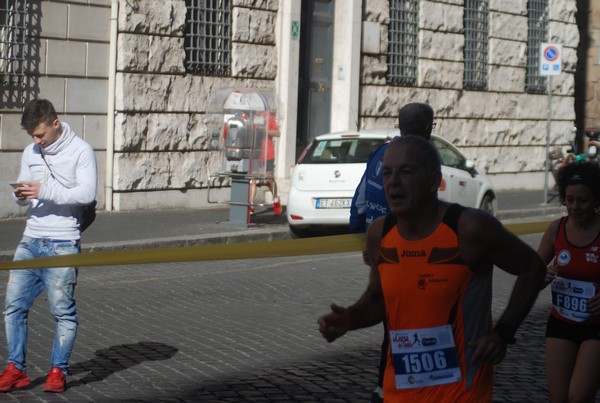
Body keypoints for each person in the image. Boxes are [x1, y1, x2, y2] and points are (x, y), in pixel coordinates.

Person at [319, 136, 546, 402]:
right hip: (399, 391)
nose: (393, 182)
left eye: (406, 171)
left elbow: (533, 268)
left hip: (460, 393)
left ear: (433, 180)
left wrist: (503, 333)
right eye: (388, 172)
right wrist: (349, 318)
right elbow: (379, 298)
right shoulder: (380, 232)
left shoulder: (469, 228)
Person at [0, 99, 98, 393]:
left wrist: (45, 190)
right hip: (31, 238)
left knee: (62, 311)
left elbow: (87, 192)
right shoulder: (31, 151)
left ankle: (58, 370)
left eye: (40, 134)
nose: (36, 141)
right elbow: (26, 189)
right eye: (32, 135)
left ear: (55, 124)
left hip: (63, 241)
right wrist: (21, 194)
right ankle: (16, 369)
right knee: (13, 307)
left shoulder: (81, 150)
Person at [348, 102, 434, 402]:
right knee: (410, 325)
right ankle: (401, 387)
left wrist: (365, 242)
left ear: (399, 126)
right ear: (429, 129)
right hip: (409, 255)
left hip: (381, 255)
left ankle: (385, 386)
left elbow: (358, 202)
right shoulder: (421, 162)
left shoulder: (378, 156)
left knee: (392, 322)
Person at [537, 161, 600, 403]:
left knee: (578, 397)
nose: (574, 206)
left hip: (596, 325)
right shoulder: (556, 229)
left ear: (596, 199)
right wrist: (541, 277)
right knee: (560, 399)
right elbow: (532, 276)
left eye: (582, 200)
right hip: (561, 322)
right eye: (569, 199)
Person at [249, 111, 281, 215]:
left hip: (267, 154)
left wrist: (264, 130)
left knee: (268, 180)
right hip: (255, 153)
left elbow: (277, 133)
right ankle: (251, 205)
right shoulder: (251, 116)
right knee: (252, 180)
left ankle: (276, 199)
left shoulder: (268, 117)